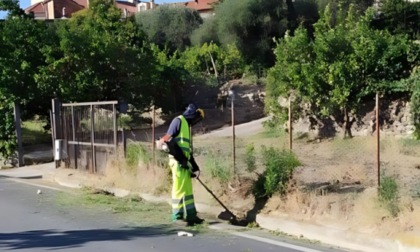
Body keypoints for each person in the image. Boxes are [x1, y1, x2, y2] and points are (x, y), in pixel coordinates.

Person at [157, 103, 205, 226]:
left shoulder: (187, 127)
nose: (196, 121)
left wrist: (194, 167)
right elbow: (167, 140)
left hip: (185, 163)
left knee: (187, 190)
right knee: (178, 188)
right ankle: (177, 216)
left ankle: (191, 215)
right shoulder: (178, 121)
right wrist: (181, 159)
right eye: (196, 118)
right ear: (192, 114)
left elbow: (187, 150)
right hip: (177, 162)